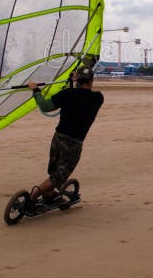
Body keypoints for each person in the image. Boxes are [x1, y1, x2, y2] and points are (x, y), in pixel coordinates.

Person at [25, 66, 104, 210]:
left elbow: (45, 106)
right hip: (73, 143)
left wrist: (35, 90)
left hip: (58, 138)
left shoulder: (67, 94)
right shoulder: (98, 98)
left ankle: (48, 194)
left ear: (76, 79)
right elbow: (80, 97)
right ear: (91, 80)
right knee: (57, 177)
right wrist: (74, 82)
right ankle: (34, 195)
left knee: (53, 171)